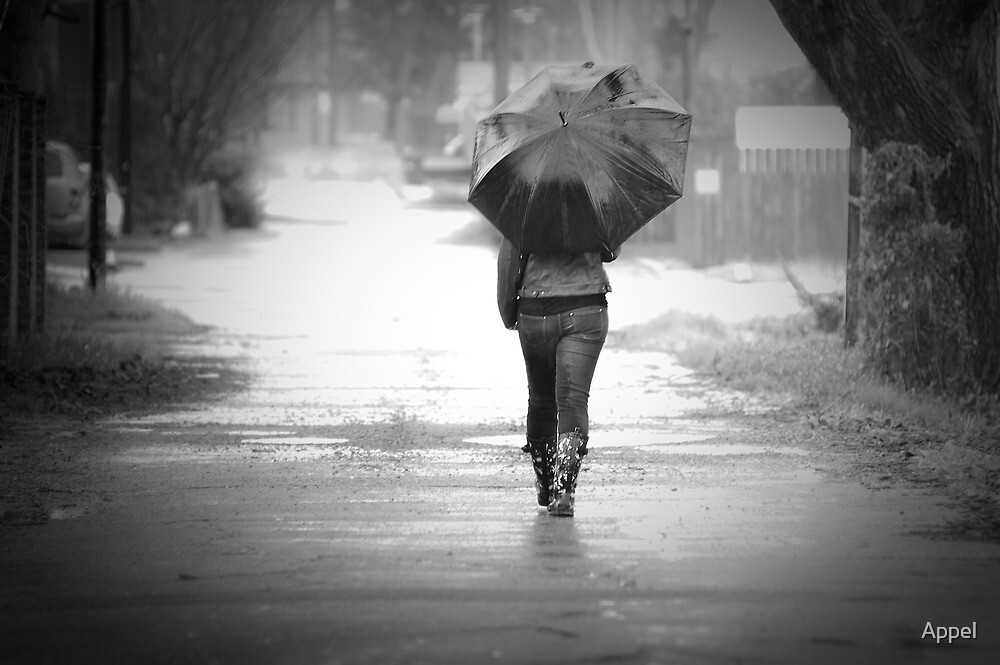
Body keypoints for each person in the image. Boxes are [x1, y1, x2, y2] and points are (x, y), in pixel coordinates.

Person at [501, 244, 618, 517]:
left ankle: (545, 482)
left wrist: (509, 312)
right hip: (587, 306)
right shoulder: (594, 201)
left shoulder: (523, 203)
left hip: (535, 309)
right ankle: (564, 491)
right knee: (573, 400)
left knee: (542, 398)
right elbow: (611, 249)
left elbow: (509, 258)